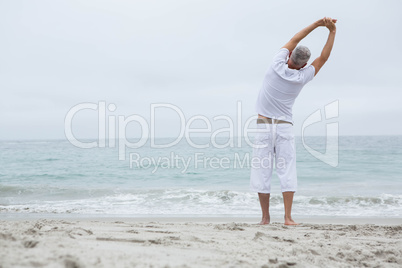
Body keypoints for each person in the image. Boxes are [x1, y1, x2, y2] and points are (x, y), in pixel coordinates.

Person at [250, 17, 337, 225]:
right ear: (304, 64)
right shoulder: (302, 77)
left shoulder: (276, 65)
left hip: (264, 126)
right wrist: (332, 32)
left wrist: (317, 24)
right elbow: (323, 58)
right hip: (284, 128)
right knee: (286, 170)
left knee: (263, 171)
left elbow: (295, 38)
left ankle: (265, 218)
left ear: (289, 55)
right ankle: (288, 218)